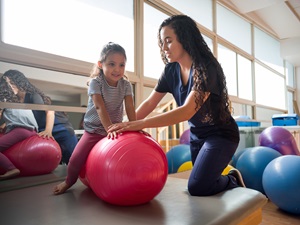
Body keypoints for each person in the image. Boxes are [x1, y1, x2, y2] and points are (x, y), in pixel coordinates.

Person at [108, 15, 245, 196]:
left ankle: (232, 179)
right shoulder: (170, 70)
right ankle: (222, 178)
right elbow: (150, 102)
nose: (164, 48)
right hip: (197, 136)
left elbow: (187, 110)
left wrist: (140, 124)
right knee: (204, 184)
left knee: (197, 187)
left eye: (169, 41)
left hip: (221, 135)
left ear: (185, 38)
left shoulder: (206, 67)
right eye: (162, 42)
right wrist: (125, 124)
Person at [53, 42, 136, 195]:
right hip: (94, 130)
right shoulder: (95, 83)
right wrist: (108, 128)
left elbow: (130, 107)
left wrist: (135, 127)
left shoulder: (125, 85)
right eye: (111, 64)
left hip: (115, 130)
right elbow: (99, 107)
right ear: (100, 64)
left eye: (121, 65)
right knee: (76, 158)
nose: (117, 69)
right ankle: (68, 181)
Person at [0, 70, 78, 165]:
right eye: (7, 84)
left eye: (12, 83)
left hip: (60, 129)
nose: (11, 86)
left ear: (20, 82)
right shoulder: (17, 100)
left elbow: (50, 111)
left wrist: (48, 130)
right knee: (60, 161)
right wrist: (5, 124)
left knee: (74, 160)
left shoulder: (33, 95)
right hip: (42, 130)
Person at [0, 92, 39, 180]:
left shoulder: (3, 98)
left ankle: (11, 169)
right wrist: (5, 125)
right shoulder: (20, 100)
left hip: (21, 130)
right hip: (33, 131)